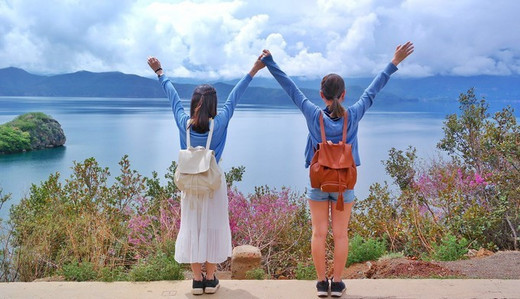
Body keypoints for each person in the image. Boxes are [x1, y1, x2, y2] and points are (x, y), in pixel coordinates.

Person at [260, 42, 414, 297]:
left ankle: (322, 284)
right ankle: (338, 282)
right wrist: (394, 61)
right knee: (340, 235)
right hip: (345, 185)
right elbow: (373, 90)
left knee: (318, 233)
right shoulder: (353, 115)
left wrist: (270, 62)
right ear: (344, 95)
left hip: (319, 183)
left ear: (322, 95)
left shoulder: (313, 115)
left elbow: (291, 88)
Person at [147, 55, 265, 295]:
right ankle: (210, 279)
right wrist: (254, 68)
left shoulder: (184, 124)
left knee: (191, 227)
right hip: (213, 184)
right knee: (213, 227)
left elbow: (172, 97)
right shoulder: (219, 123)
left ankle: (196, 279)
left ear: (192, 104)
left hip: (190, 185)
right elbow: (236, 95)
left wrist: (159, 71)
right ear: (213, 105)